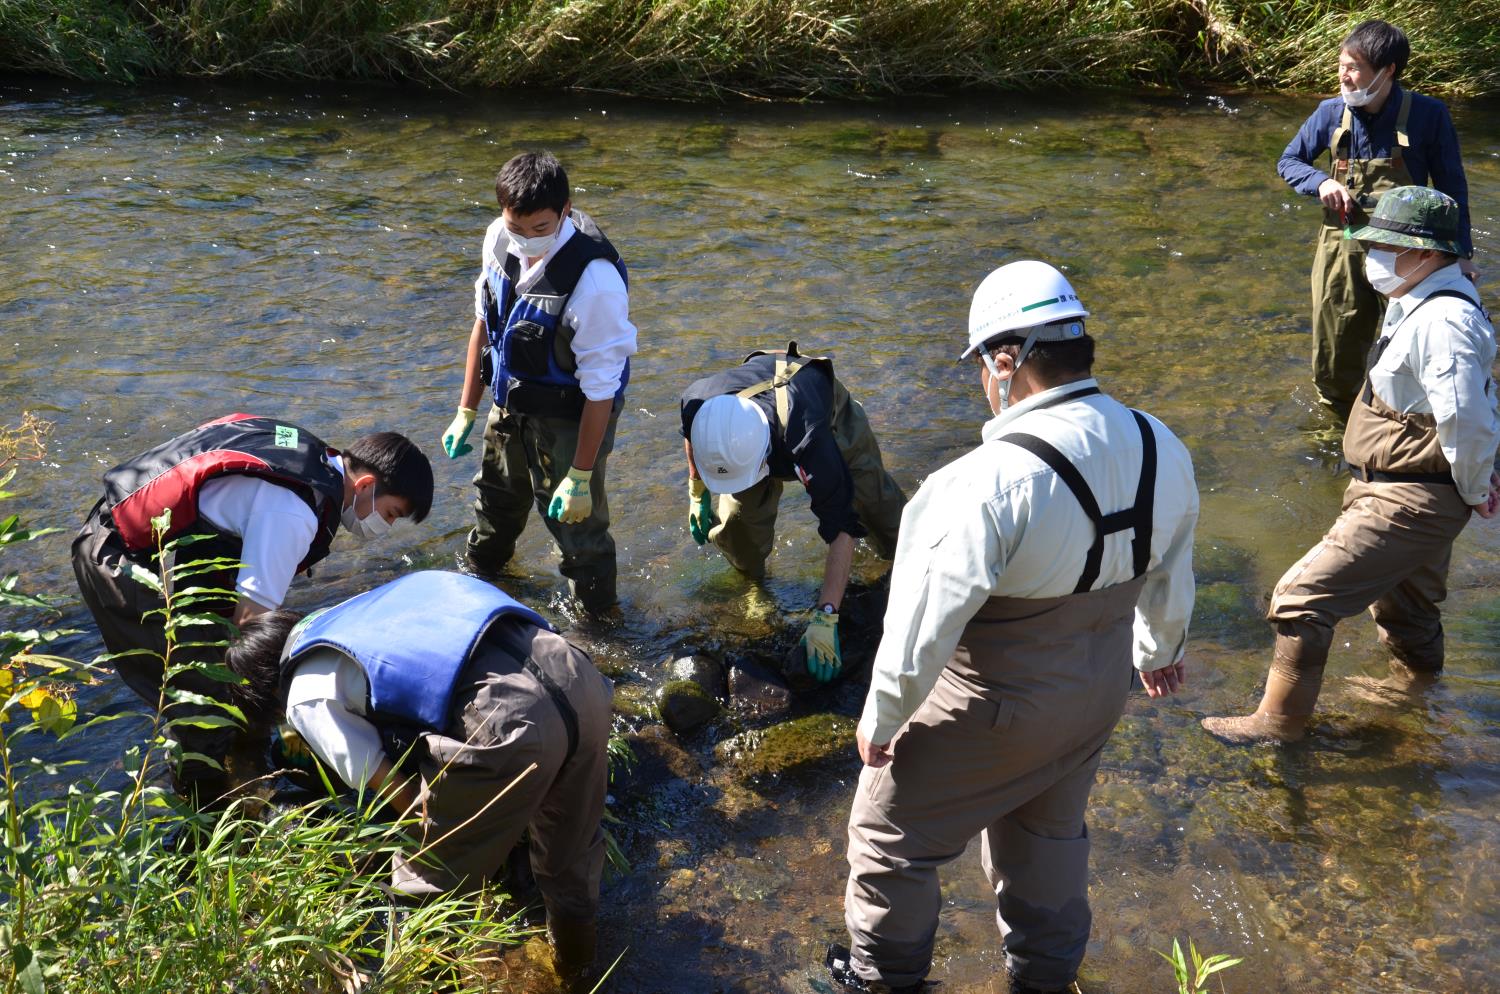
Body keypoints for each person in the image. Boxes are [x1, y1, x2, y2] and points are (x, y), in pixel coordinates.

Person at [826, 261, 1198, 994]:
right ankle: (1044, 980)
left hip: (995, 703)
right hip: (1096, 691)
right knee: (1047, 832)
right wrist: (1160, 648)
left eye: (981, 367)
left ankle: (880, 981)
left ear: (1007, 359)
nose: (981, 383)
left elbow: (924, 618)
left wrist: (883, 715)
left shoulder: (980, 483)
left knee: (887, 842)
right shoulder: (1161, 443)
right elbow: (1172, 564)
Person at [1203, 187, 1500, 744]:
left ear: (1426, 253)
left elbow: (1467, 415)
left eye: (1386, 244)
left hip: (1409, 497)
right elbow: (1473, 406)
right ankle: (1417, 697)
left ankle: (1277, 724)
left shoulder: (1444, 321)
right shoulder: (1429, 301)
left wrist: (1478, 483)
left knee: (1299, 600)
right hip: (1414, 488)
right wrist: (1477, 479)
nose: (1375, 256)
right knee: (1407, 609)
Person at [229, 570, 613, 979]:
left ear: (263, 689)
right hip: (574, 674)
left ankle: (434, 981)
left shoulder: (304, 695)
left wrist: (442, 838)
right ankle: (578, 970)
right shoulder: (349, 612)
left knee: (424, 887)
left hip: (503, 719)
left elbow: (392, 788)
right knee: (569, 856)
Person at [72, 413, 433, 798]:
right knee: (203, 694)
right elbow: (250, 628)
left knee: (221, 665)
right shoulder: (293, 513)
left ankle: (239, 764)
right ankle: (208, 808)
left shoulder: (306, 453)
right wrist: (292, 712)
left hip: (163, 536)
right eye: (391, 514)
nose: (385, 527)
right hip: (117, 557)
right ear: (366, 485)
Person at [441, 151, 637, 617]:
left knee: (577, 529)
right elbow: (484, 324)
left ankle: (600, 622)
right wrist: (467, 409)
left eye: (541, 229)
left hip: (573, 417)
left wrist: (582, 475)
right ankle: (480, 585)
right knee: (495, 501)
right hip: (509, 406)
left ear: (565, 210)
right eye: (517, 228)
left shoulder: (595, 284)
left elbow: (601, 390)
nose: (527, 240)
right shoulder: (496, 238)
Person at [1277, 19, 1475, 418]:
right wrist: (1319, 182)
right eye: (1341, 65)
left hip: (1412, 252)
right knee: (1335, 351)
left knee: (1415, 348)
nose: (1344, 76)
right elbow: (1289, 160)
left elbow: (1453, 188)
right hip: (1342, 244)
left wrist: (1462, 256)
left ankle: (1411, 433)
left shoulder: (1429, 115)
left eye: (1355, 68)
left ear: (1388, 72)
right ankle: (1335, 432)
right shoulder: (1329, 112)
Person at [680, 342, 907, 682]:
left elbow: (841, 526)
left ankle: (915, 569)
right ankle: (754, 586)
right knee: (738, 528)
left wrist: (826, 615)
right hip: (748, 433)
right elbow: (690, 435)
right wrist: (696, 489)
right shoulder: (698, 402)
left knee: (877, 509)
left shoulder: (810, 438)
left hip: (824, 415)